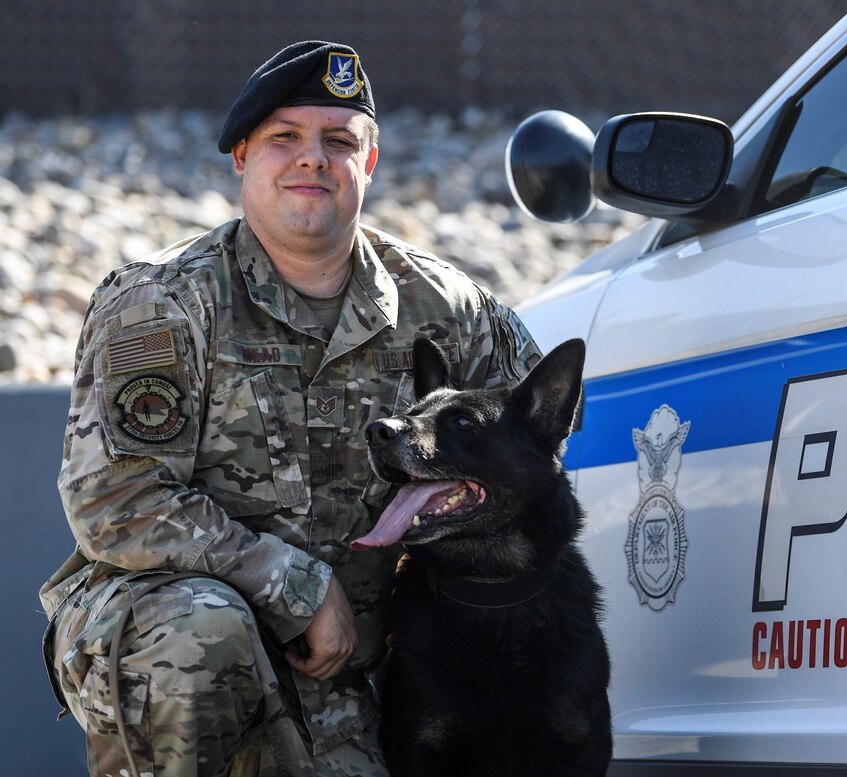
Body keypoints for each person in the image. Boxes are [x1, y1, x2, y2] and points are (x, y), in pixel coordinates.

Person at [39, 40, 540, 776]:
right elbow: (115, 497)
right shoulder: (165, 304)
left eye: (338, 142)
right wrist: (292, 584)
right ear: (242, 157)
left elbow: (537, 446)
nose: (313, 159)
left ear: (367, 166)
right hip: (172, 644)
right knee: (200, 630)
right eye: (285, 138)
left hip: (348, 677)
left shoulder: (447, 311)